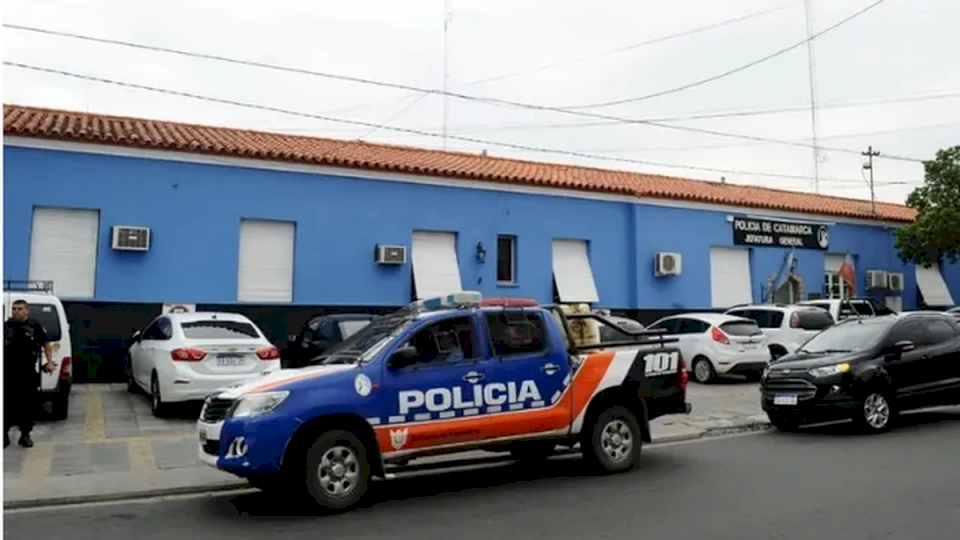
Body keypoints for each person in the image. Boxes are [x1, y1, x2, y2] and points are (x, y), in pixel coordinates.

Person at [4, 299, 55, 448]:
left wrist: (50, 362)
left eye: (20, 309)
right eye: (14, 309)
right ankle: (4, 435)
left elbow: (46, 344)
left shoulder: (35, 326)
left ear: (27, 311)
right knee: (7, 404)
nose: (16, 311)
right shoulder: (6, 326)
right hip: (8, 372)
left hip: (27, 372)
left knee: (27, 404)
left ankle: (25, 435)